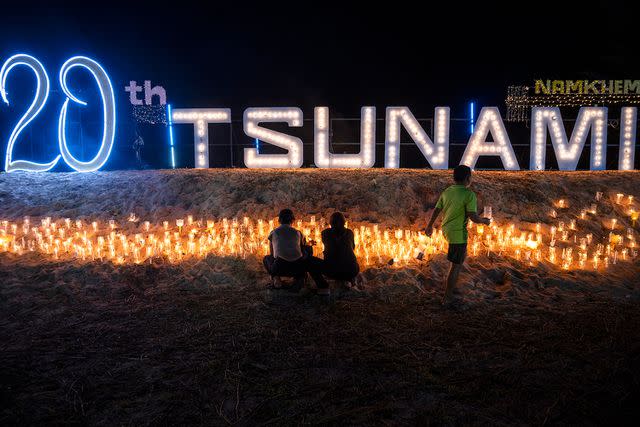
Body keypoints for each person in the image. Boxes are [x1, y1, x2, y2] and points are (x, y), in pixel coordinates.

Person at [425, 165, 491, 305]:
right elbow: (472, 216)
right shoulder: (469, 194)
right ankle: (447, 297)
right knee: (456, 265)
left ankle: (450, 290)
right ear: (468, 178)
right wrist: (484, 221)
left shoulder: (447, 191)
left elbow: (437, 209)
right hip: (457, 233)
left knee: (457, 260)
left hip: (447, 230)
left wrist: (430, 225)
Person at [263, 208, 328, 294]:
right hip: (297, 268)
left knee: (266, 258)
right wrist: (309, 246)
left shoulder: (273, 232)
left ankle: (276, 278)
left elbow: (273, 254)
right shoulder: (298, 233)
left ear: (279, 220)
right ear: (293, 220)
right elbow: (303, 251)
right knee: (306, 254)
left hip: (279, 267)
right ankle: (300, 278)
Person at [319, 212, 360, 286]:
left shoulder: (325, 233)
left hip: (331, 272)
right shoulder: (349, 232)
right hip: (352, 270)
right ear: (344, 222)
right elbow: (353, 247)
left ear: (330, 223)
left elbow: (327, 247)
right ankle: (348, 278)